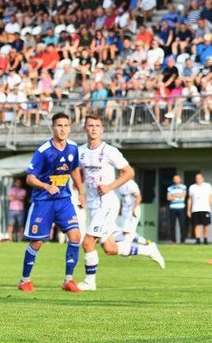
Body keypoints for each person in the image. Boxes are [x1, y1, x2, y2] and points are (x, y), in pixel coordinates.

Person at [77, 114, 163, 291]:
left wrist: (110, 186)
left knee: (87, 243)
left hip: (107, 204)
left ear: (102, 129)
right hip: (93, 205)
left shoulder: (110, 151)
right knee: (109, 248)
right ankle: (148, 250)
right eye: (90, 125)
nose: (93, 128)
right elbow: (80, 174)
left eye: (97, 125)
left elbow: (129, 172)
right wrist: (80, 192)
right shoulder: (80, 151)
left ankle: (89, 282)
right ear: (85, 128)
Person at [18, 112, 87, 293]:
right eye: (59, 125)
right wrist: (45, 186)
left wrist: (81, 192)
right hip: (43, 202)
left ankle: (68, 280)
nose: (62, 129)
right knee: (37, 243)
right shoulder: (43, 151)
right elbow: (30, 178)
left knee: (75, 236)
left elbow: (74, 171)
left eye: (66, 125)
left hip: (64, 200)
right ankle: (24, 280)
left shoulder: (73, 148)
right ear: (53, 127)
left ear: (70, 127)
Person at [187, 171, 212, 245]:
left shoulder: (207, 186)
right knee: (196, 225)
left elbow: (210, 197)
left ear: (202, 179)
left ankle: (205, 239)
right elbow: (190, 199)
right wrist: (188, 210)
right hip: (195, 209)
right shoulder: (192, 187)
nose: (198, 179)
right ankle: (198, 239)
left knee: (206, 225)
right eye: (197, 178)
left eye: (199, 178)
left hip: (205, 208)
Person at [166, 174, 187, 243]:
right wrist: (178, 195)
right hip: (172, 208)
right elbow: (168, 198)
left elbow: (183, 196)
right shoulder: (170, 188)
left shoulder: (183, 187)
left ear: (180, 179)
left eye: (177, 179)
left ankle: (182, 240)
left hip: (181, 208)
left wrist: (173, 195)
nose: (176, 180)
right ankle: (173, 240)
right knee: (172, 225)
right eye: (175, 179)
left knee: (182, 225)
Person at [6, 178, 27, 242]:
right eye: (17, 182)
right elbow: (9, 198)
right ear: (15, 183)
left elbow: (22, 198)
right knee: (11, 224)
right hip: (12, 209)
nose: (18, 184)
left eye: (19, 182)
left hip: (20, 210)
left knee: (20, 225)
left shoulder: (23, 190)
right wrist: (18, 197)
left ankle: (20, 239)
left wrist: (14, 196)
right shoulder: (11, 190)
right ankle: (10, 238)